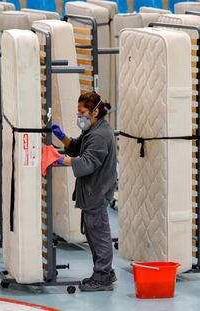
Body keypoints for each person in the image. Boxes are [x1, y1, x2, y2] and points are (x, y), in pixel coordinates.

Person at [52, 91, 117, 292]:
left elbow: (88, 162)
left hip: (96, 191)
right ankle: (104, 272)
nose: (80, 116)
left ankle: (103, 275)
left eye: (82, 112)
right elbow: (80, 147)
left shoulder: (100, 135)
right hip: (92, 190)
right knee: (93, 232)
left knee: (98, 234)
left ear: (95, 111)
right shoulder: (94, 129)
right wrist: (63, 138)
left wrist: (61, 160)